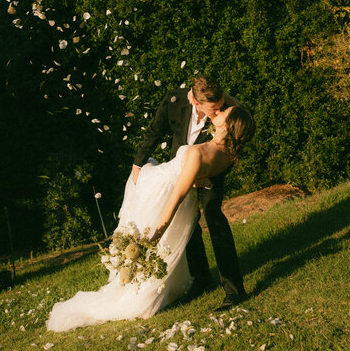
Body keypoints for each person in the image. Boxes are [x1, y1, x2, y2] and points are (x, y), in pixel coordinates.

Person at [46, 104, 254, 332]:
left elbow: (176, 197)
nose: (219, 111)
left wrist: (156, 234)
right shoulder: (226, 155)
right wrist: (199, 181)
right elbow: (199, 178)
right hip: (180, 194)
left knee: (142, 175)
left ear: (227, 126)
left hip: (161, 191)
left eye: (224, 112)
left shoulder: (199, 152)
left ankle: (137, 293)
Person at [132, 76, 255, 311]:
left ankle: (234, 289)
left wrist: (202, 174)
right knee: (188, 223)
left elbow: (240, 123)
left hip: (210, 163)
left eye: (222, 105)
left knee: (213, 216)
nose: (221, 109)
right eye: (215, 108)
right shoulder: (174, 100)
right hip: (182, 167)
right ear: (196, 102)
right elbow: (154, 131)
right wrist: (138, 163)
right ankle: (201, 279)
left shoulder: (226, 111)